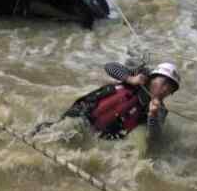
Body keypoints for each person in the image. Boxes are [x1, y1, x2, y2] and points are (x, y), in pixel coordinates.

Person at [32, 61, 181, 143]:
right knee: (52, 134)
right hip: (84, 113)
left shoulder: (159, 110)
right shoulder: (137, 78)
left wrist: (153, 115)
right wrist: (130, 79)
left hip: (103, 135)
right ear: (153, 78)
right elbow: (109, 66)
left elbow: (154, 138)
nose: (164, 90)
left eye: (170, 88)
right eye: (163, 83)